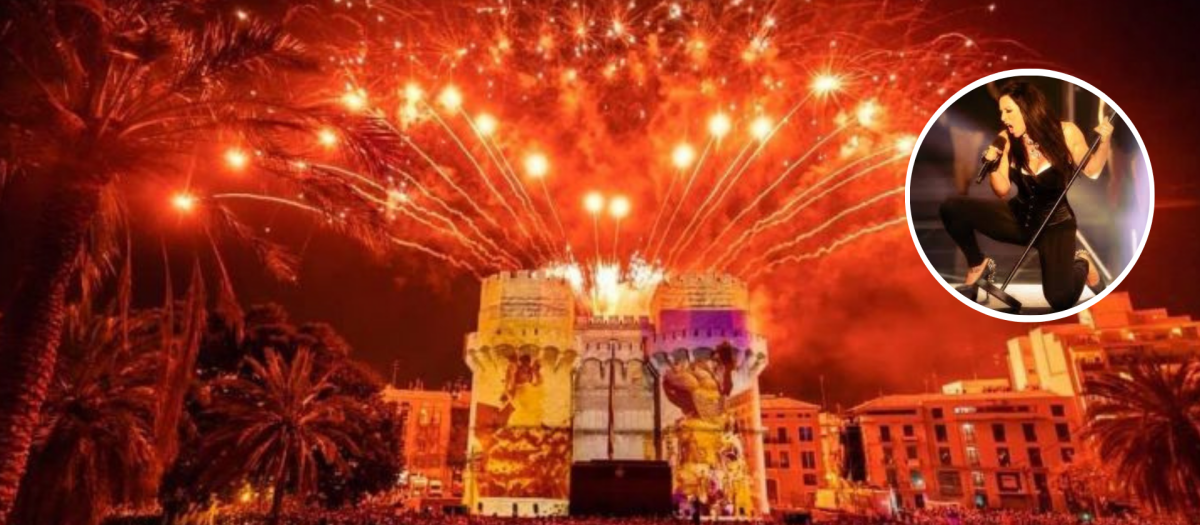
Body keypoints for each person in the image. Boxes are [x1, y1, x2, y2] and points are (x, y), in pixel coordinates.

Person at [939, 80, 1113, 311]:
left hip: (1055, 225)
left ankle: (1082, 262)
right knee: (952, 207)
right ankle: (978, 265)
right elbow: (1001, 190)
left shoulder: (1066, 132)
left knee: (1059, 299)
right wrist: (993, 164)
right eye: (1001, 111)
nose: (1003, 118)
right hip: (1018, 218)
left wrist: (1104, 142)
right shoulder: (1006, 138)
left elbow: (1091, 171)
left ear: (1028, 109)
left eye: (1009, 111)